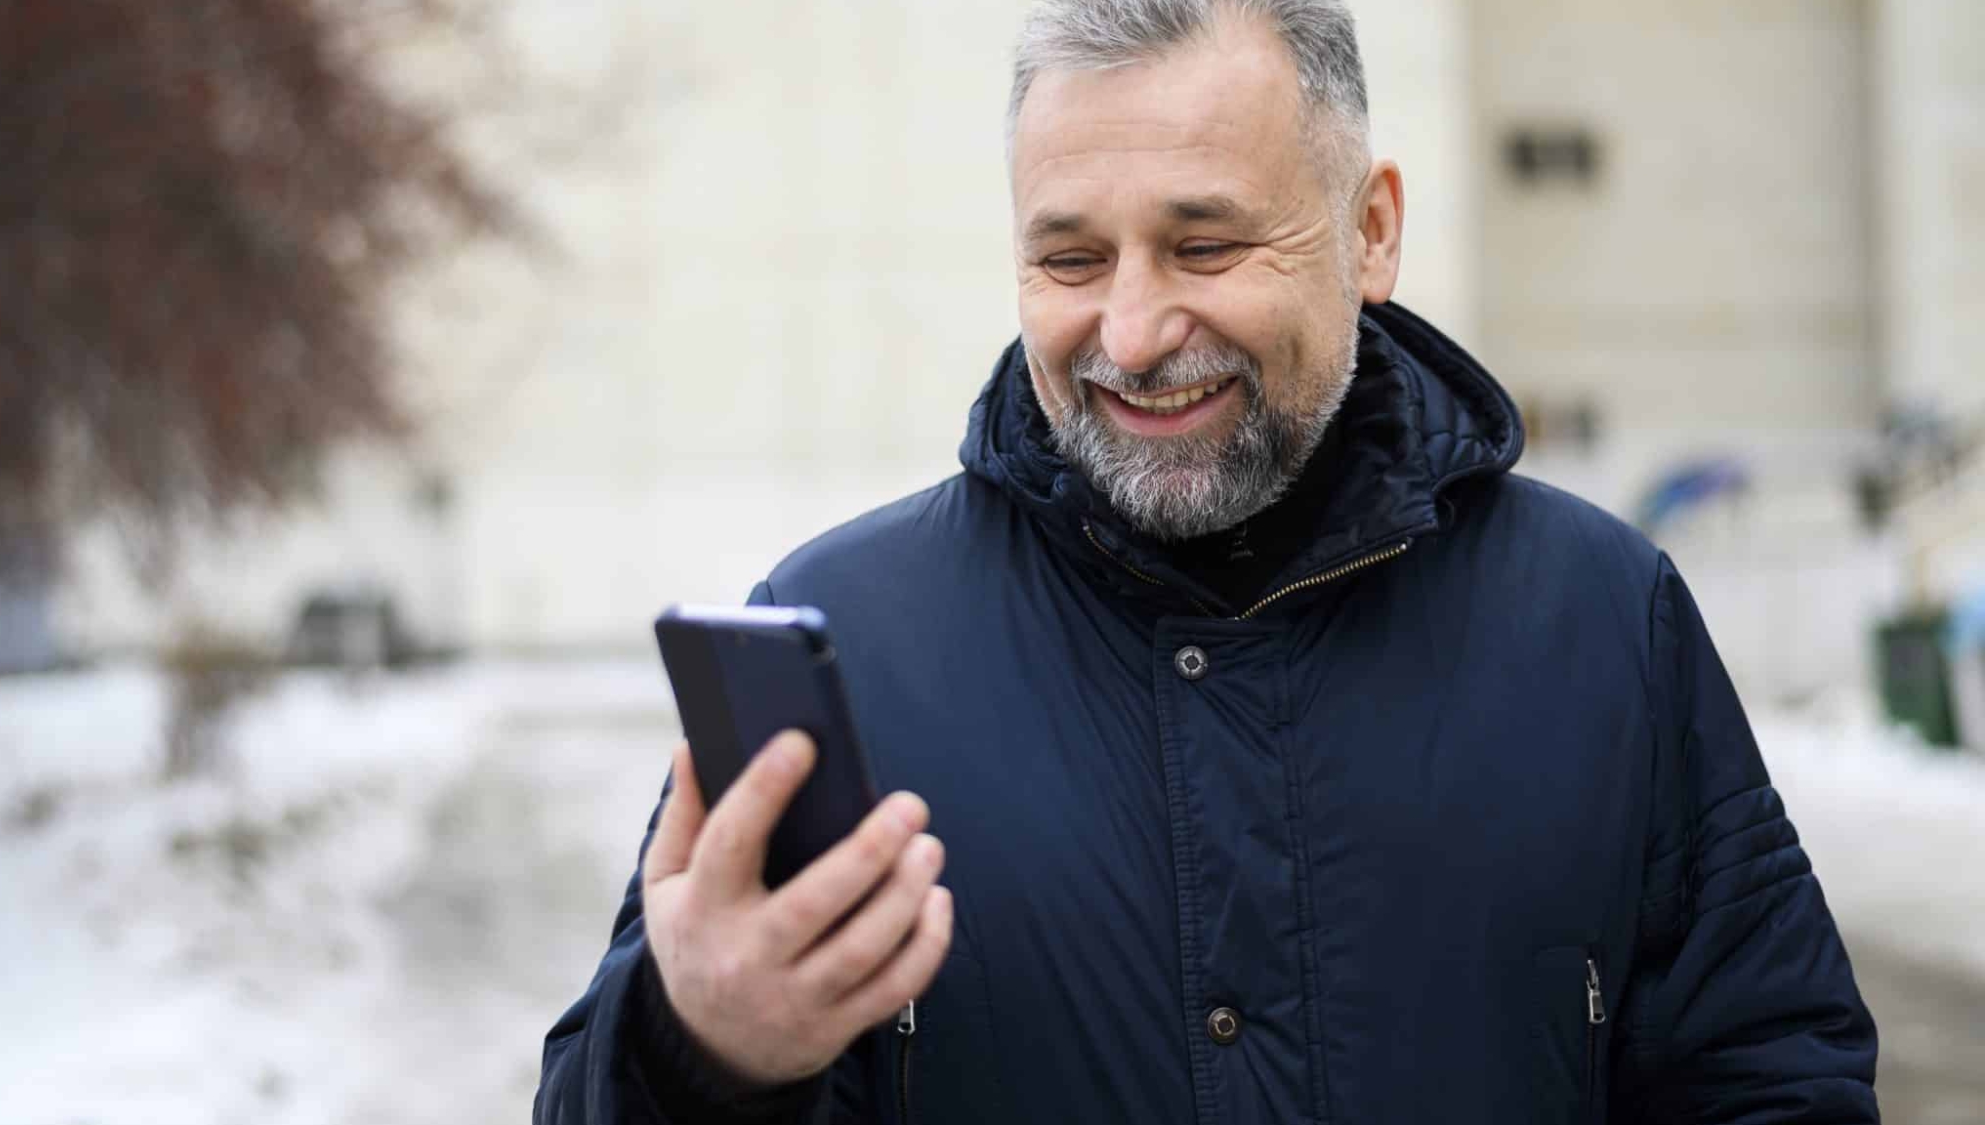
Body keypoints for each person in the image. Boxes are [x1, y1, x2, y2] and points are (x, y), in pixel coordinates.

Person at [535, 0, 1880, 1120]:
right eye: (1070, 257)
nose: (1128, 331)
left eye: (1205, 243)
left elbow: (1774, 1079)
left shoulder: (1602, 624)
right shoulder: (849, 641)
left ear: (1369, 232)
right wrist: (694, 1051)